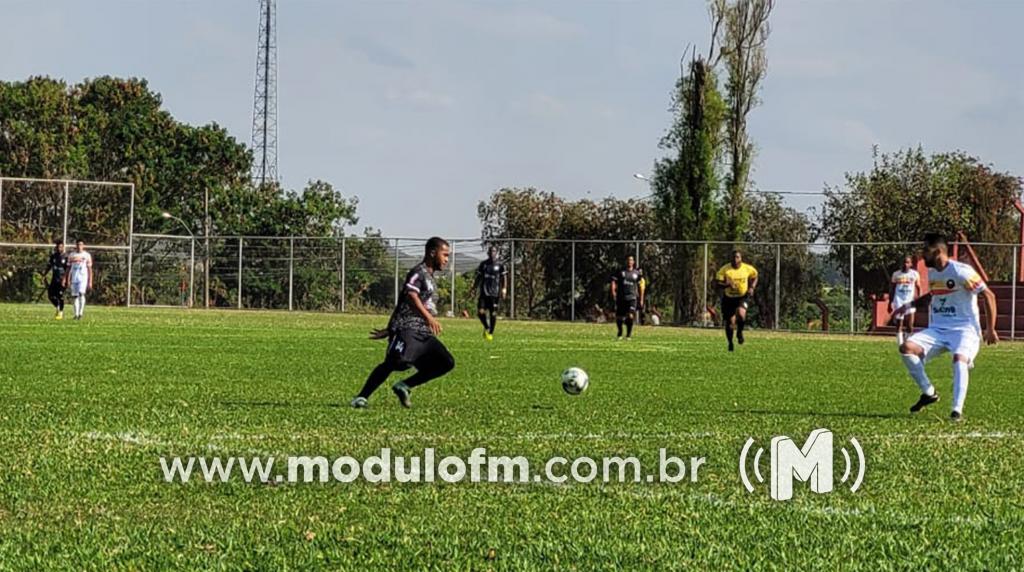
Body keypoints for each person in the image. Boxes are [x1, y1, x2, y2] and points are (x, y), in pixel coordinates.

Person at [897, 234, 998, 422]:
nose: (922, 254)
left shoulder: (962, 272)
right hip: (938, 329)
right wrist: (909, 305)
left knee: (959, 359)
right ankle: (929, 392)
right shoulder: (933, 272)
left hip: (965, 330)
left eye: (925, 250)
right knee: (906, 348)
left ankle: (956, 411)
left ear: (937, 252)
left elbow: (989, 295)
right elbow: (933, 296)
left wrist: (990, 329)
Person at [351, 237, 455, 409]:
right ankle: (361, 397)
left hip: (423, 333)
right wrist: (422, 320)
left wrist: (390, 327)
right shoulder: (418, 272)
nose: (446, 259)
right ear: (432, 252)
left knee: (446, 362)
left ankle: (404, 386)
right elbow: (410, 296)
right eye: (444, 255)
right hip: (408, 328)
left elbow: (402, 303)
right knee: (397, 363)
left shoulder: (430, 277)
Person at [715, 250, 758, 352]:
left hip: (742, 297)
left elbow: (755, 276)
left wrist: (752, 287)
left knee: (741, 314)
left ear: (741, 258)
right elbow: (717, 284)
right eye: (734, 257)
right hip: (729, 298)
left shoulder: (747, 268)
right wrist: (727, 285)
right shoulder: (725, 270)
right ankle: (730, 342)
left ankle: (739, 332)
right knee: (730, 323)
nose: (735, 259)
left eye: (737, 257)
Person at [472, 246, 507, 341]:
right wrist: (474, 289)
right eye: (491, 251)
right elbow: (478, 278)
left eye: (494, 251)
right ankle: (487, 327)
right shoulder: (483, 264)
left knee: (493, 314)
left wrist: (504, 289)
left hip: (494, 294)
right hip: (484, 293)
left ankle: (491, 333)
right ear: (488, 253)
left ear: (497, 253)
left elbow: (503, 278)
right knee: (480, 312)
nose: (492, 253)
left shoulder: (500, 265)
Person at [889, 255, 921, 345]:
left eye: (907, 262)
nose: (905, 264)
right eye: (904, 262)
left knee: (910, 325)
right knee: (899, 324)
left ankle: (907, 342)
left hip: (910, 301)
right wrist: (890, 302)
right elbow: (892, 288)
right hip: (899, 301)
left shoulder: (914, 274)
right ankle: (900, 344)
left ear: (911, 264)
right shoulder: (896, 274)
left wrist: (919, 298)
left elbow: (918, 287)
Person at [610, 255, 643, 340]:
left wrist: (641, 298)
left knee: (630, 316)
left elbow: (641, 286)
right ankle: (620, 332)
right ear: (626, 261)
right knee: (619, 318)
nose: (629, 262)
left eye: (631, 260)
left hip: (632, 298)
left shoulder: (637, 273)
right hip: (621, 297)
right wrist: (613, 292)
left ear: (633, 262)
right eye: (628, 260)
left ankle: (628, 335)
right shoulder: (621, 272)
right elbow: (614, 282)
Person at [63, 239, 93, 321]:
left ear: (83, 246)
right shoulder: (72, 255)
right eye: (78, 244)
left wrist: (90, 281)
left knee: (81, 293)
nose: (79, 246)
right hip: (74, 278)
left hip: (83, 278)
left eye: (81, 244)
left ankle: (81, 313)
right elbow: (68, 268)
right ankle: (76, 314)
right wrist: (67, 279)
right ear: (76, 246)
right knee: (75, 296)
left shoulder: (87, 255)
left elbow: (89, 269)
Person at [45, 239, 68, 320]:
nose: (59, 248)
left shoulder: (66, 257)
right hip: (54, 279)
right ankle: (57, 306)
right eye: (58, 247)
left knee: (60, 295)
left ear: (63, 247)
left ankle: (60, 313)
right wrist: (44, 274)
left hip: (62, 280)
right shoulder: (53, 256)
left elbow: (68, 269)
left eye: (61, 247)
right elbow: (49, 266)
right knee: (50, 295)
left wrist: (66, 279)